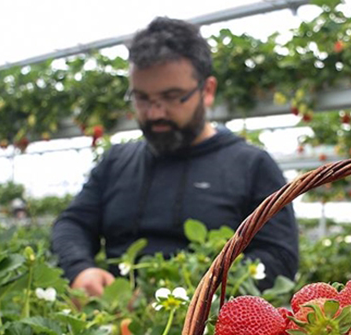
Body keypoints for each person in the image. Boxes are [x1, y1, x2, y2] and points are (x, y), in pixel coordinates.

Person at [51, 17, 299, 296]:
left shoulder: (252, 166)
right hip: (116, 325)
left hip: (207, 330)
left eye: (172, 96)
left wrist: (187, 294)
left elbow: (279, 258)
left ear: (207, 91)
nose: (155, 112)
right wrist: (81, 269)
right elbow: (72, 224)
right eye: (142, 98)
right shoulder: (116, 162)